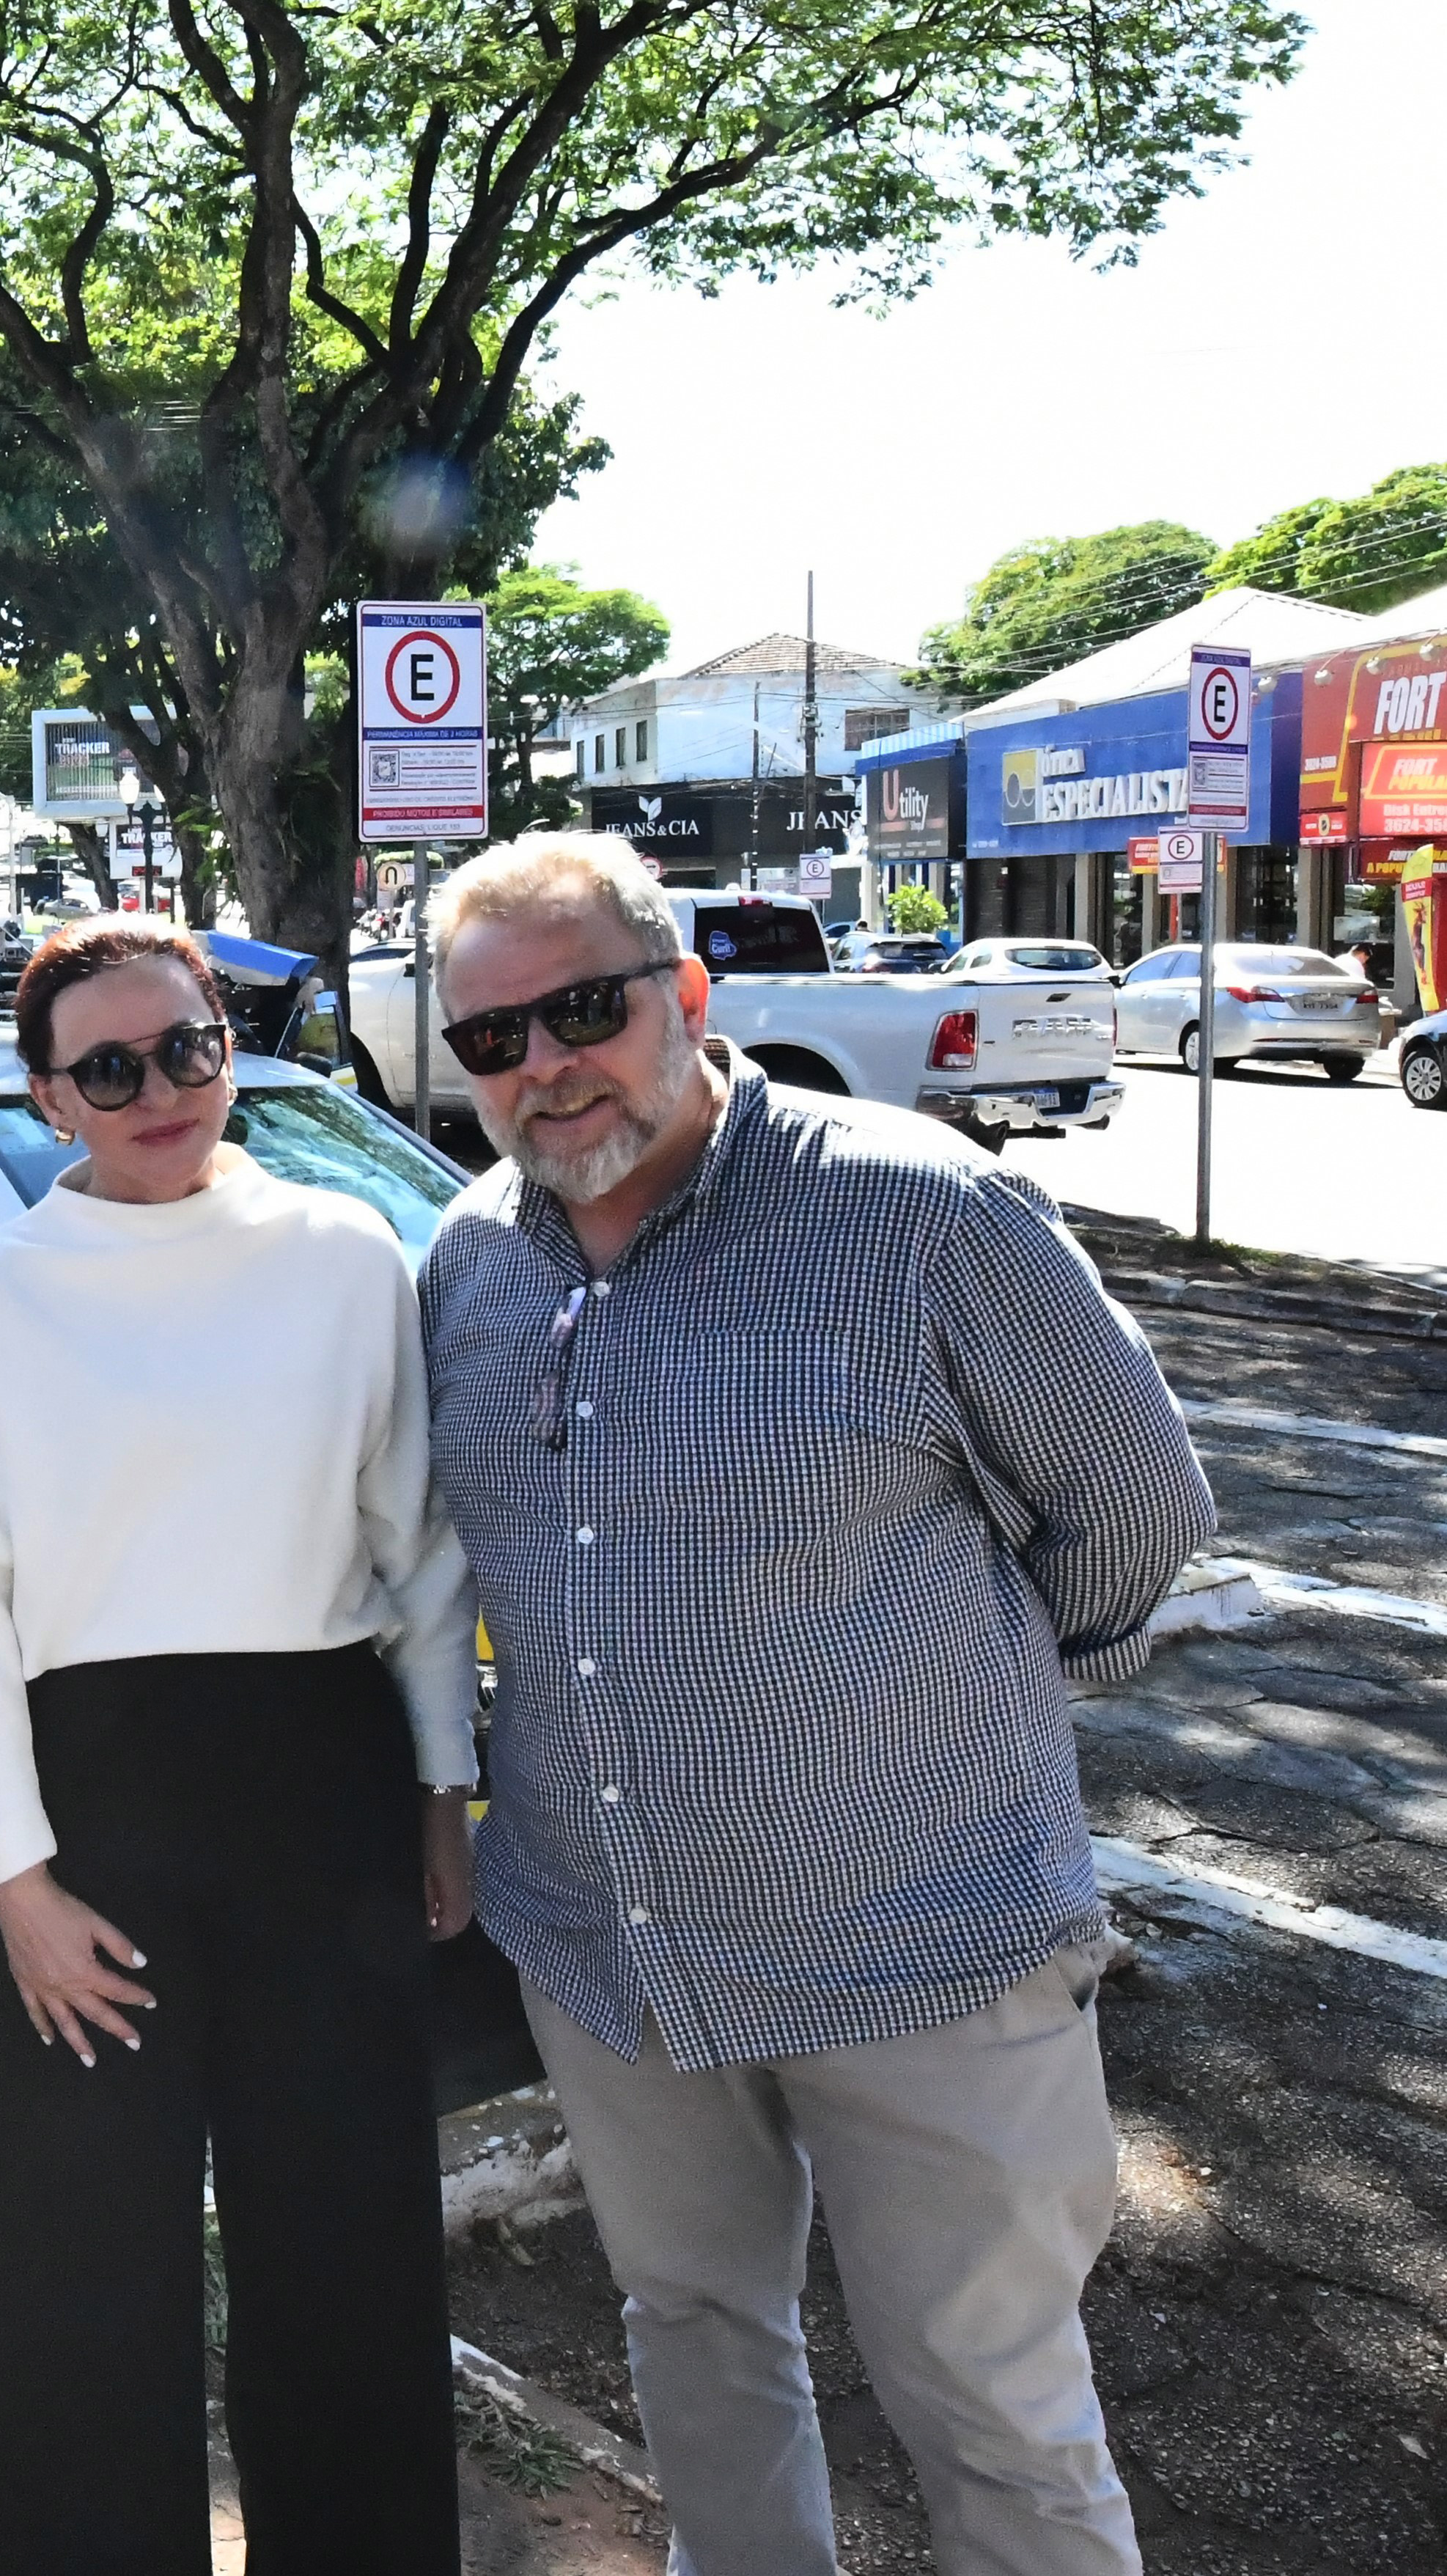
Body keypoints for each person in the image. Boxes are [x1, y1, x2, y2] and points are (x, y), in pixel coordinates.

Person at [418, 834, 1216, 2576]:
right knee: (694, 2335)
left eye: (582, 1007)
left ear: (684, 993)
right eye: (492, 1035)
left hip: (918, 1941)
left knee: (988, 2405)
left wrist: (963, 1718)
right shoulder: (466, 1260)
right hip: (614, 1950)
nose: (543, 1063)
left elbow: (1135, 1509)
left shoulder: (917, 1208)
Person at [0, 915, 476, 2572]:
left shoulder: (346, 1251)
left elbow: (412, 1540)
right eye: (108, 1066)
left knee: (345, 2253)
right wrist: (14, 1884)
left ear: (227, 1046)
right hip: (89, 1814)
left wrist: (443, 1782)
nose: (157, 1086)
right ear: (46, 1096)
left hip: (323, 1793)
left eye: (187, 1047)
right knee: (79, 2273)